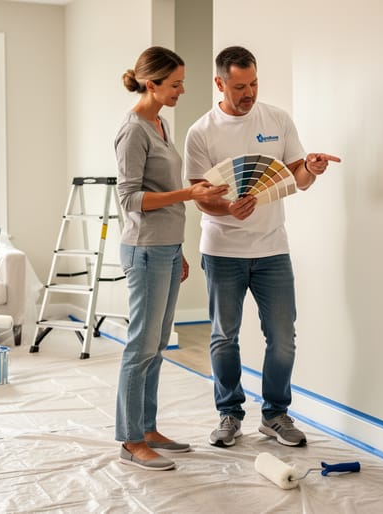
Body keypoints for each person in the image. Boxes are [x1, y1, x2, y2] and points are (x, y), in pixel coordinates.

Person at [185, 46, 341, 448]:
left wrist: (311, 167)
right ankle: (229, 414)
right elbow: (199, 196)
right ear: (220, 83)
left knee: (283, 337)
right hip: (222, 249)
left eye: (253, 83)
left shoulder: (277, 119)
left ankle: (275, 415)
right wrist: (226, 207)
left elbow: (296, 179)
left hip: (273, 248)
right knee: (223, 337)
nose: (248, 92)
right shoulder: (201, 132)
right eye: (239, 86)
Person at [114, 46, 228, 470]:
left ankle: (147, 428)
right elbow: (130, 199)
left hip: (163, 248)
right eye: (175, 83)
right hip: (143, 248)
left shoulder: (159, 123)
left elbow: (163, 194)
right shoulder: (133, 130)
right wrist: (190, 193)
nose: (182, 90)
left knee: (157, 343)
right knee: (139, 345)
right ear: (152, 83)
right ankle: (129, 440)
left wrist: (177, 249)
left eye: (182, 82)